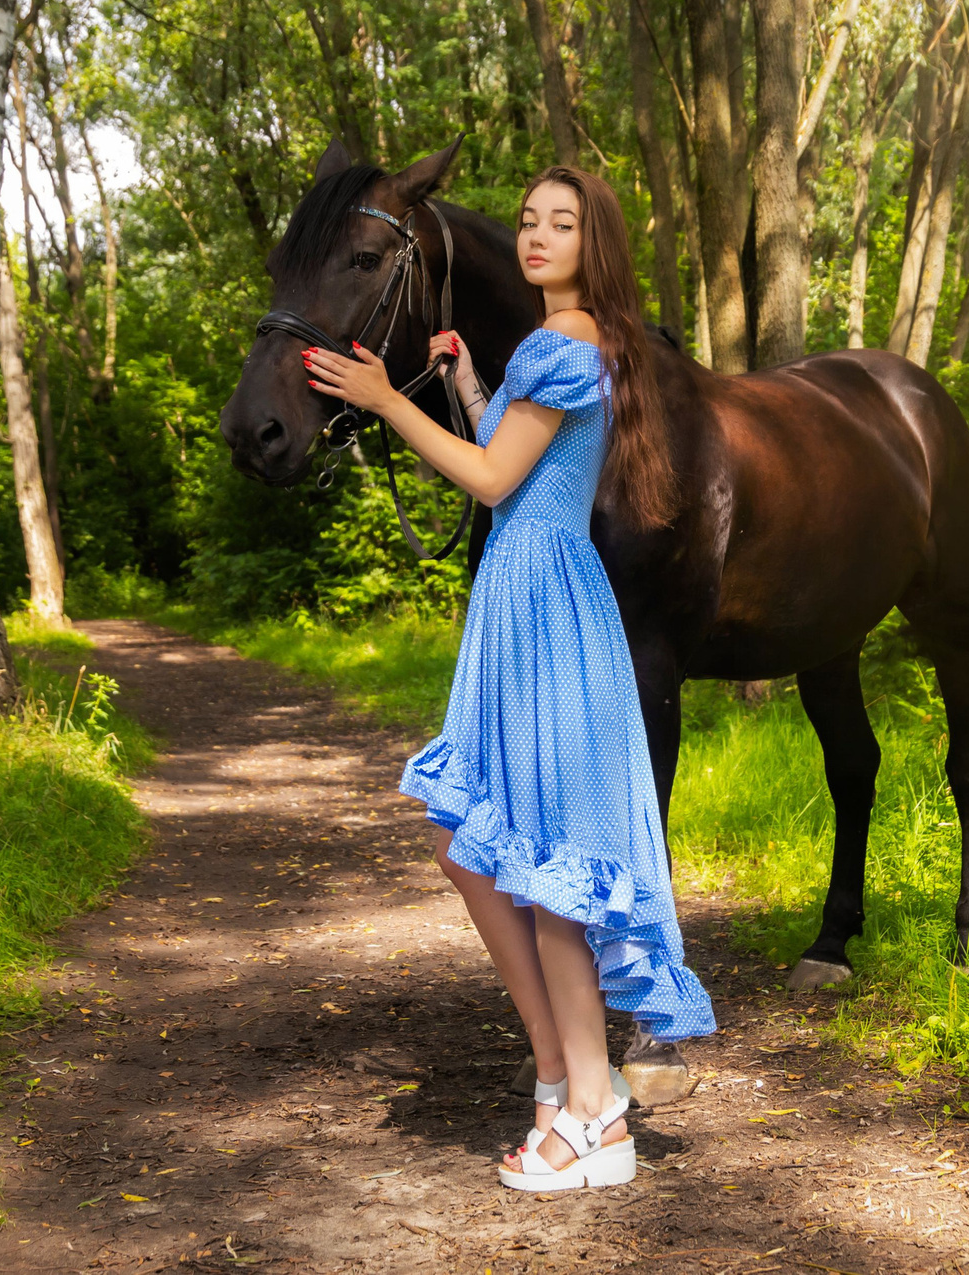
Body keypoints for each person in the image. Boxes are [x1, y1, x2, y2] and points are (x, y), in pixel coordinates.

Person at [301, 165, 716, 1193]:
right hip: (531, 597)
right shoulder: (563, 348)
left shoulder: (564, 341)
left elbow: (489, 482)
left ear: (594, 242)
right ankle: (564, 1080)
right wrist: (465, 384)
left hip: (541, 601)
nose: (535, 236)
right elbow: (513, 456)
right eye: (528, 220)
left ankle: (591, 1110)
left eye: (560, 223)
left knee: (542, 873)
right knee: (470, 846)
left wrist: (385, 398)